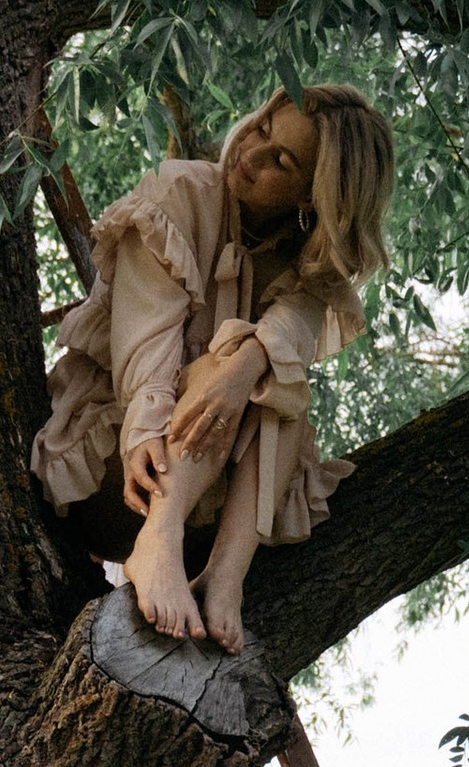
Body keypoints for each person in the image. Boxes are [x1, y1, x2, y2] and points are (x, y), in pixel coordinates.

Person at [30, 83, 396, 650]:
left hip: (208, 522)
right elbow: (143, 359)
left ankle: (225, 578)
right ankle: (158, 539)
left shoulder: (313, 267)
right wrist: (177, 411)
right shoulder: (178, 193)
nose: (249, 153)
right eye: (261, 130)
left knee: (277, 379)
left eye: (280, 160)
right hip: (120, 471)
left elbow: (288, 335)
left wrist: (243, 370)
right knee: (233, 355)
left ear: (310, 199)